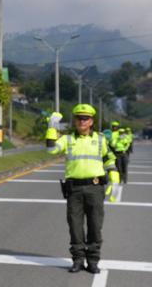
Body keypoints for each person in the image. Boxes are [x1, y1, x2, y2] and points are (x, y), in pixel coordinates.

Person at [45, 104, 118, 274]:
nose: (81, 121)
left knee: (95, 226)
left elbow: (109, 158)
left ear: (91, 121)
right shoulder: (68, 139)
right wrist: (51, 127)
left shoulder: (100, 139)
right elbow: (51, 149)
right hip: (74, 190)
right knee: (75, 227)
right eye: (78, 117)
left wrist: (114, 176)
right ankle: (78, 260)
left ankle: (93, 260)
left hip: (95, 188)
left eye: (85, 118)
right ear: (74, 120)